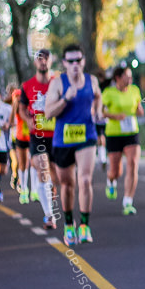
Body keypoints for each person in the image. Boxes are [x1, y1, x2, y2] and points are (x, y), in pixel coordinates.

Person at [44, 44, 102, 245]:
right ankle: (69, 225)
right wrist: (65, 99)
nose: (75, 64)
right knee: (67, 184)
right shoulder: (58, 84)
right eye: (71, 61)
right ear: (64, 63)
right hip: (63, 140)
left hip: (86, 136)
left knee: (85, 180)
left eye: (78, 60)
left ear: (83, 61)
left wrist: (98, 110)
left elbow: (98, 96)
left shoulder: (92, 81)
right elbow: (48, 113)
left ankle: (84, 225)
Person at [20, 49, 61, 229]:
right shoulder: (27, 86)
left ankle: (56, 203)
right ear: (35, 63)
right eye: (39, 59)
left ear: (51, 62)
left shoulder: (58, 83)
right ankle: (49, 215)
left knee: (57, 176)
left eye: (46, 59)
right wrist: (28, 119)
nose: (43, 62)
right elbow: (21, 108)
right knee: (42, 169)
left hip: (58, 136)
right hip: (38, 136)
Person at [101, 62, 144, 215]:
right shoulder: (108, 93)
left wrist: (139, 111)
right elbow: (101, 113)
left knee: (133, 163)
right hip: (114, 134)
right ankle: (110, 180)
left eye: (131, 76)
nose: (130, 79)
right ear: (118, 78)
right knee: (116, 171)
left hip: (131, 132)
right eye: (127, 76)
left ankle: (128, 201)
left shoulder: (135, 90)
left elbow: (140, 110)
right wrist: (115, 116)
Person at [10, 84, 32, 202]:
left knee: (31, 163)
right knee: (22, 164)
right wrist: (14, 105)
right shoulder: (16, 109)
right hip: (19, 138)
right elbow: (11, 121)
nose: (18, 99)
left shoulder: (27, 106)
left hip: (31, 137)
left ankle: (31, 190)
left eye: (19, 97)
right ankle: (23, 189)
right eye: (16, 97)